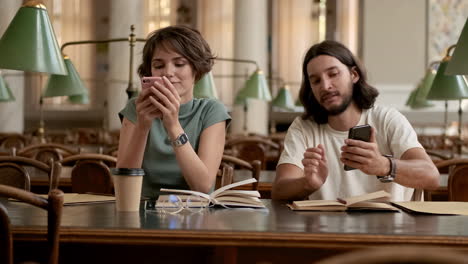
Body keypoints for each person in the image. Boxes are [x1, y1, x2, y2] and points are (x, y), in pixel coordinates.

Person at [272, 40, 439, 201]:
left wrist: (383, 165)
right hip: (327, 228)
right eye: (316, 80)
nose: (325, 85)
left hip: (391, 228)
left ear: (354, 75)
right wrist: (307, 184)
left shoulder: (387, 119)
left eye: (333, 74)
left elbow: (431, 177)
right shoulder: (303, 127)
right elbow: (279, 191)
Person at [116, 25, 231, 199]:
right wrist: (142, 127)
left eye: (179, 64)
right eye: (159, 65)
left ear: (196, 69)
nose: (168, 73)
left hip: (194, 212)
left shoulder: (211, 111)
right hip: (142, 209)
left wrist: (173, 125)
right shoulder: (136, 108)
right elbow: (124, 184)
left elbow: (202, 186)